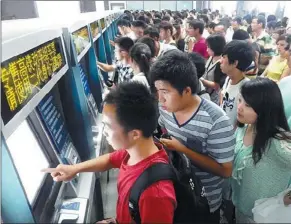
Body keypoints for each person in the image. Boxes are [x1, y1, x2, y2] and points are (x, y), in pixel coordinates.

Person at [43, 82, 176, 223]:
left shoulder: (155, 194)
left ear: (134, 134)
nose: (104, 131)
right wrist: (74, 168)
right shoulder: (135, 151)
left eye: (107, 126)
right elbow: (110, 159)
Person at [150, 50, 235, 223]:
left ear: (187, 90)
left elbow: (225, 171)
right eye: (158, 91)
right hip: (178, 191)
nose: (160, 99)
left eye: (165, 92)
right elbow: (166, 132)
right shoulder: (166, 110)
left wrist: (183, 149)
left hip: (204, 199)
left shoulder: (216, 121)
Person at [231, 78, 291, 223]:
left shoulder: (277, 142)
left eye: (248, 105)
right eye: (240, 100)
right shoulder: (244, 128)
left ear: (265, 108)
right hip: (240, 208)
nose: (239, 107)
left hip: (264, 215)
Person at [220, 40, 254, 126]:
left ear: (235, 63)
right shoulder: (228, 79)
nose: (220, 61)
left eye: (224, 57)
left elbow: (241, 122)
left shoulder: (246, 88)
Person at [201, 34, 226, 105]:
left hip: (214, 98)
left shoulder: (221, 63)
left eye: (209, 47)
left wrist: (201, 80)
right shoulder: (211, 57)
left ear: (215, 48)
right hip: (206, 93)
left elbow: (216, 86)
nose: (207, 49)